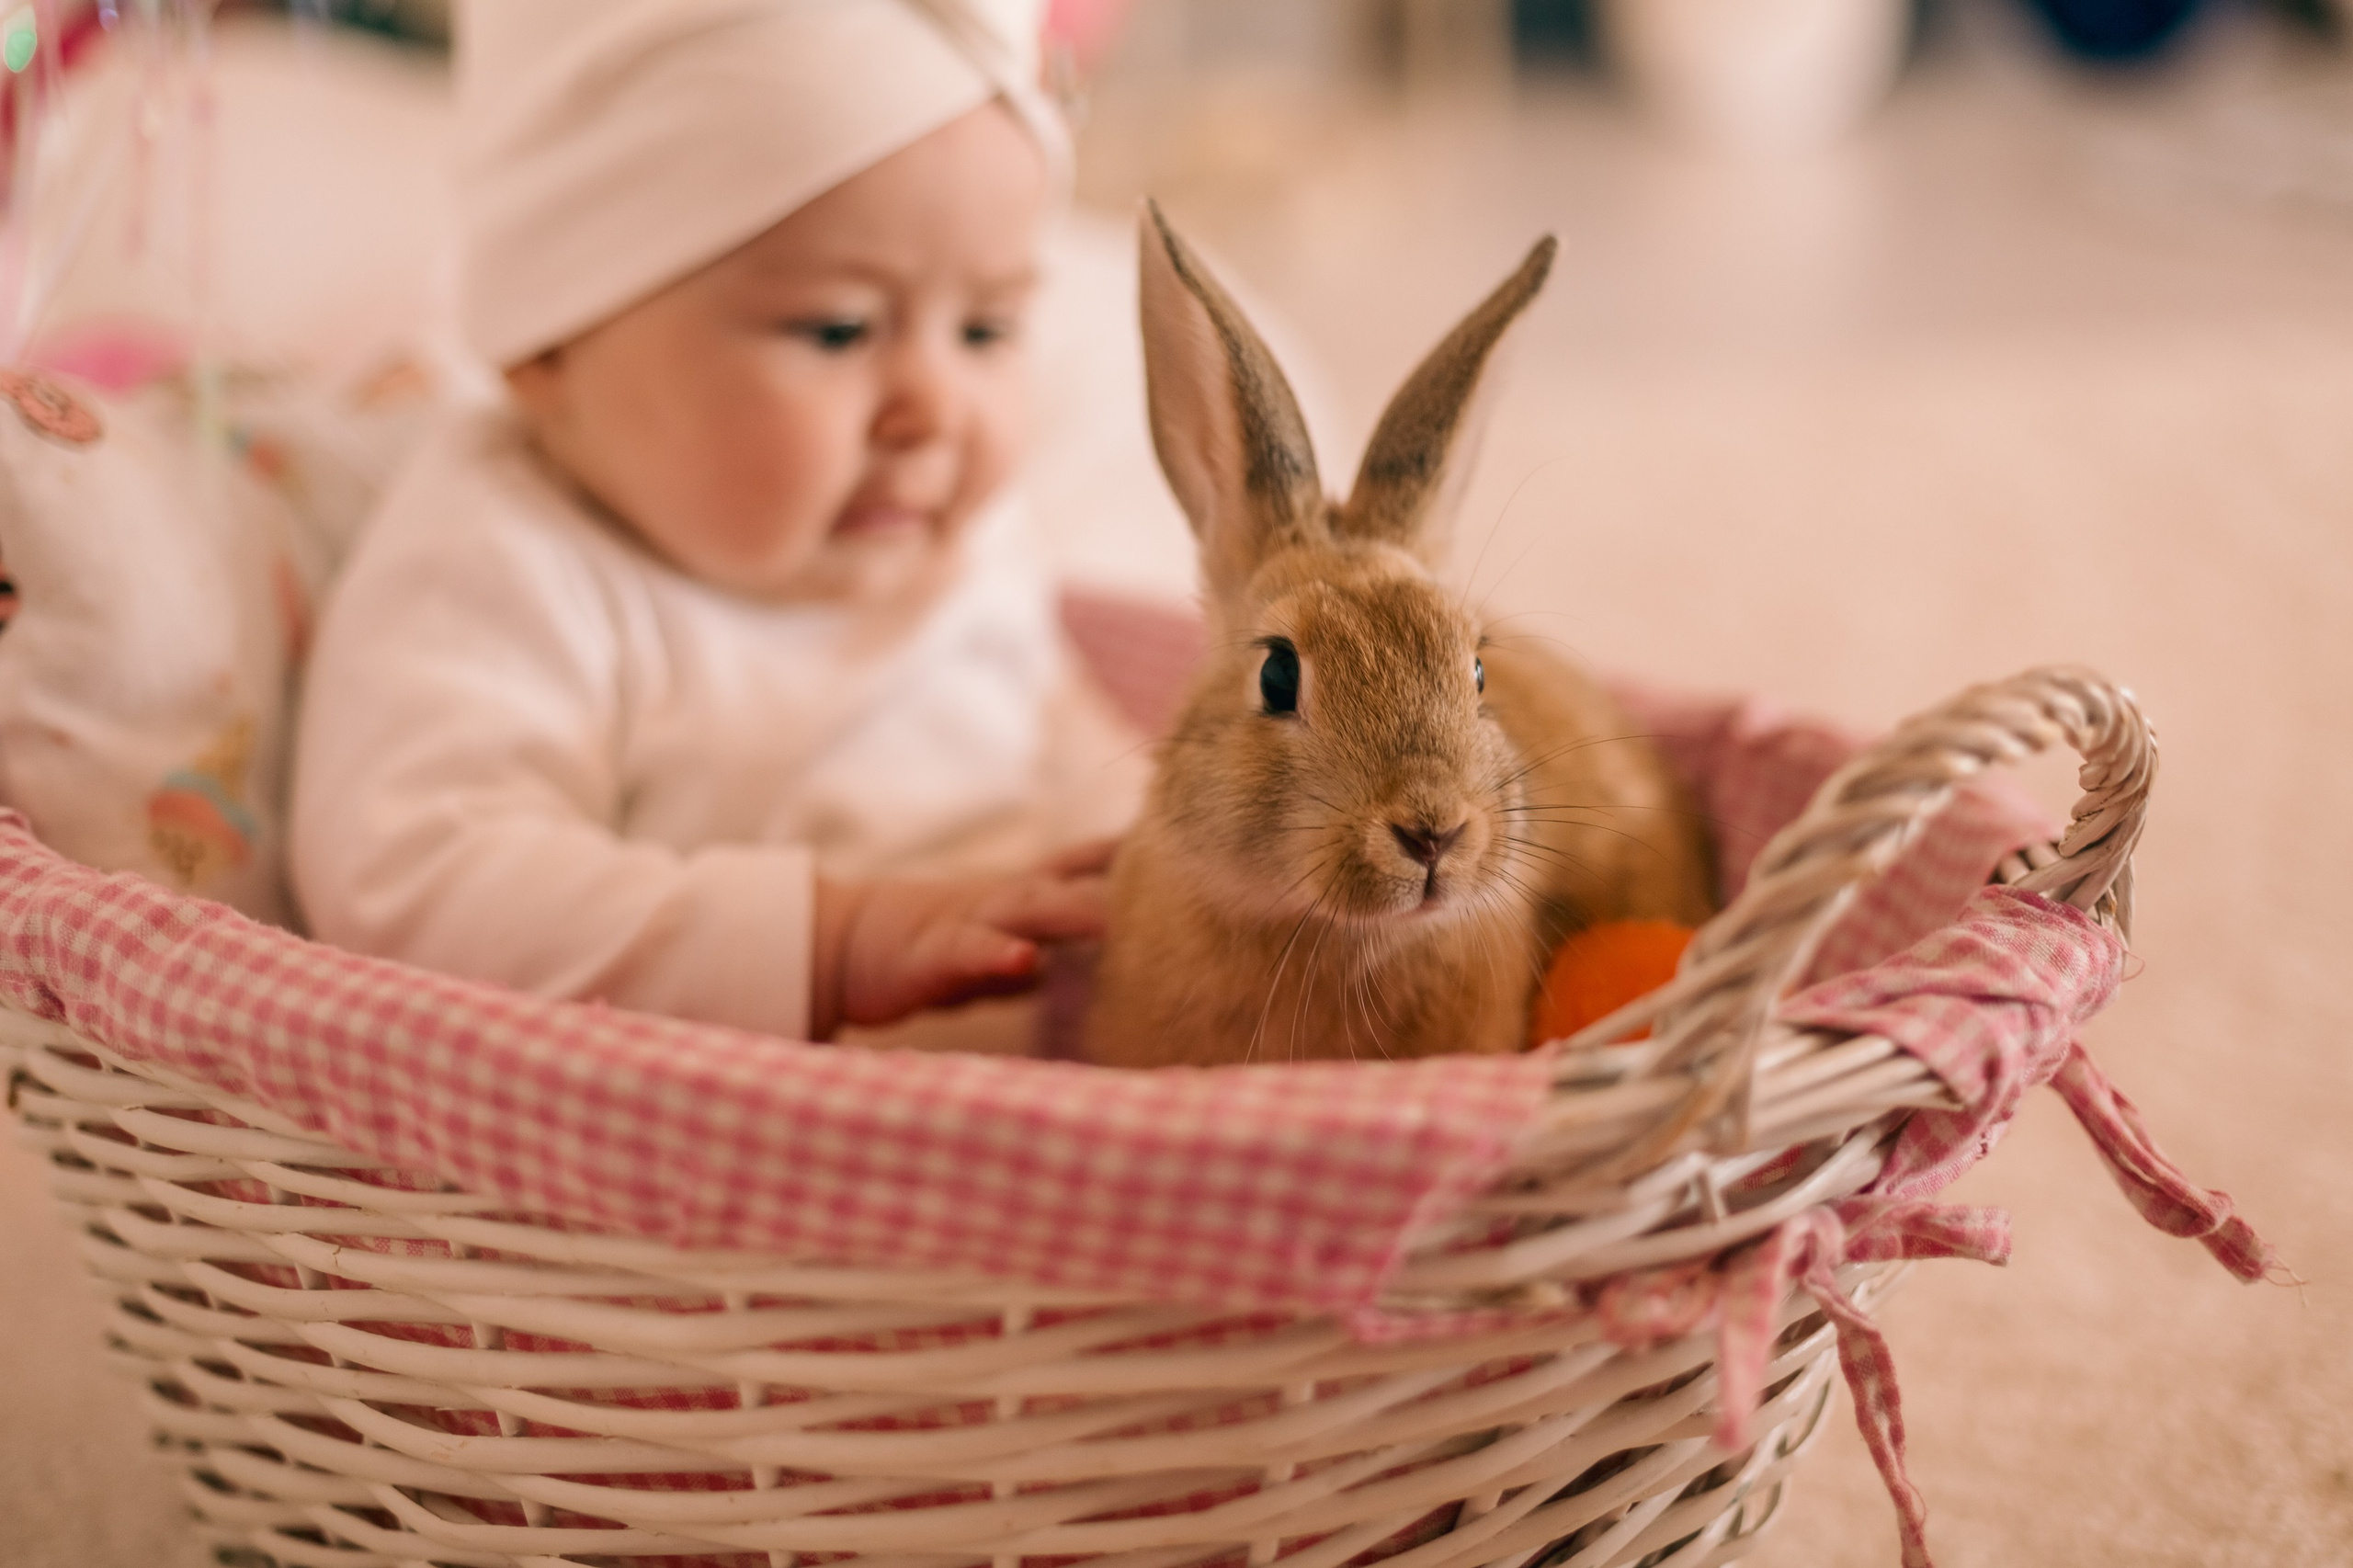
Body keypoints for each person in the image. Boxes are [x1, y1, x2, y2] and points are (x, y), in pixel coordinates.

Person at [290, 0, 1146, 1042]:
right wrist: (833, 940)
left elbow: (1070, 744)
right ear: (546, 341)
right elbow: (410, 876)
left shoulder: (964, 545)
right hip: (691, 1168)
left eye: (985, 327)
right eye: (839, 327)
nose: (934, 408)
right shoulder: (508, 560)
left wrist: (1170, 859)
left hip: (1036, 1115)